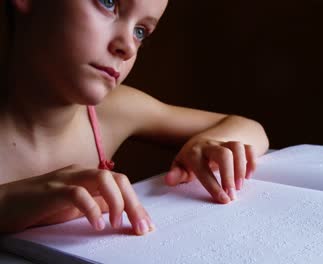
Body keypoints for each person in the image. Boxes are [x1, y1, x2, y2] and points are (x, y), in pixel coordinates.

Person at [0, 0, 269, 236]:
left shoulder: (114, 110)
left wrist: (208, 143)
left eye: (141, 32)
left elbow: (250, 129)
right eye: (108, 3)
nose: (128, 46)